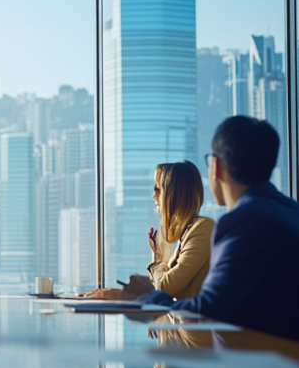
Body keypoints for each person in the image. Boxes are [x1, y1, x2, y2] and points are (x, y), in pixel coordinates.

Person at [121, 116, 299, 341]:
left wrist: (147, 297)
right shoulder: (291, 211)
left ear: (216, 167)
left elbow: (207, 309)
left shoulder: (240, 223)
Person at [86, 161, 214, 300]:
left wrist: (159, 259)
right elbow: (159, 289)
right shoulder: (188, 233)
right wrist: (158, 255)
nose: (154, 195)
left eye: (158, 189)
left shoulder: (203, 228)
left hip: (195, 321)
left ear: (175, 193)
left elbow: (164, 289)